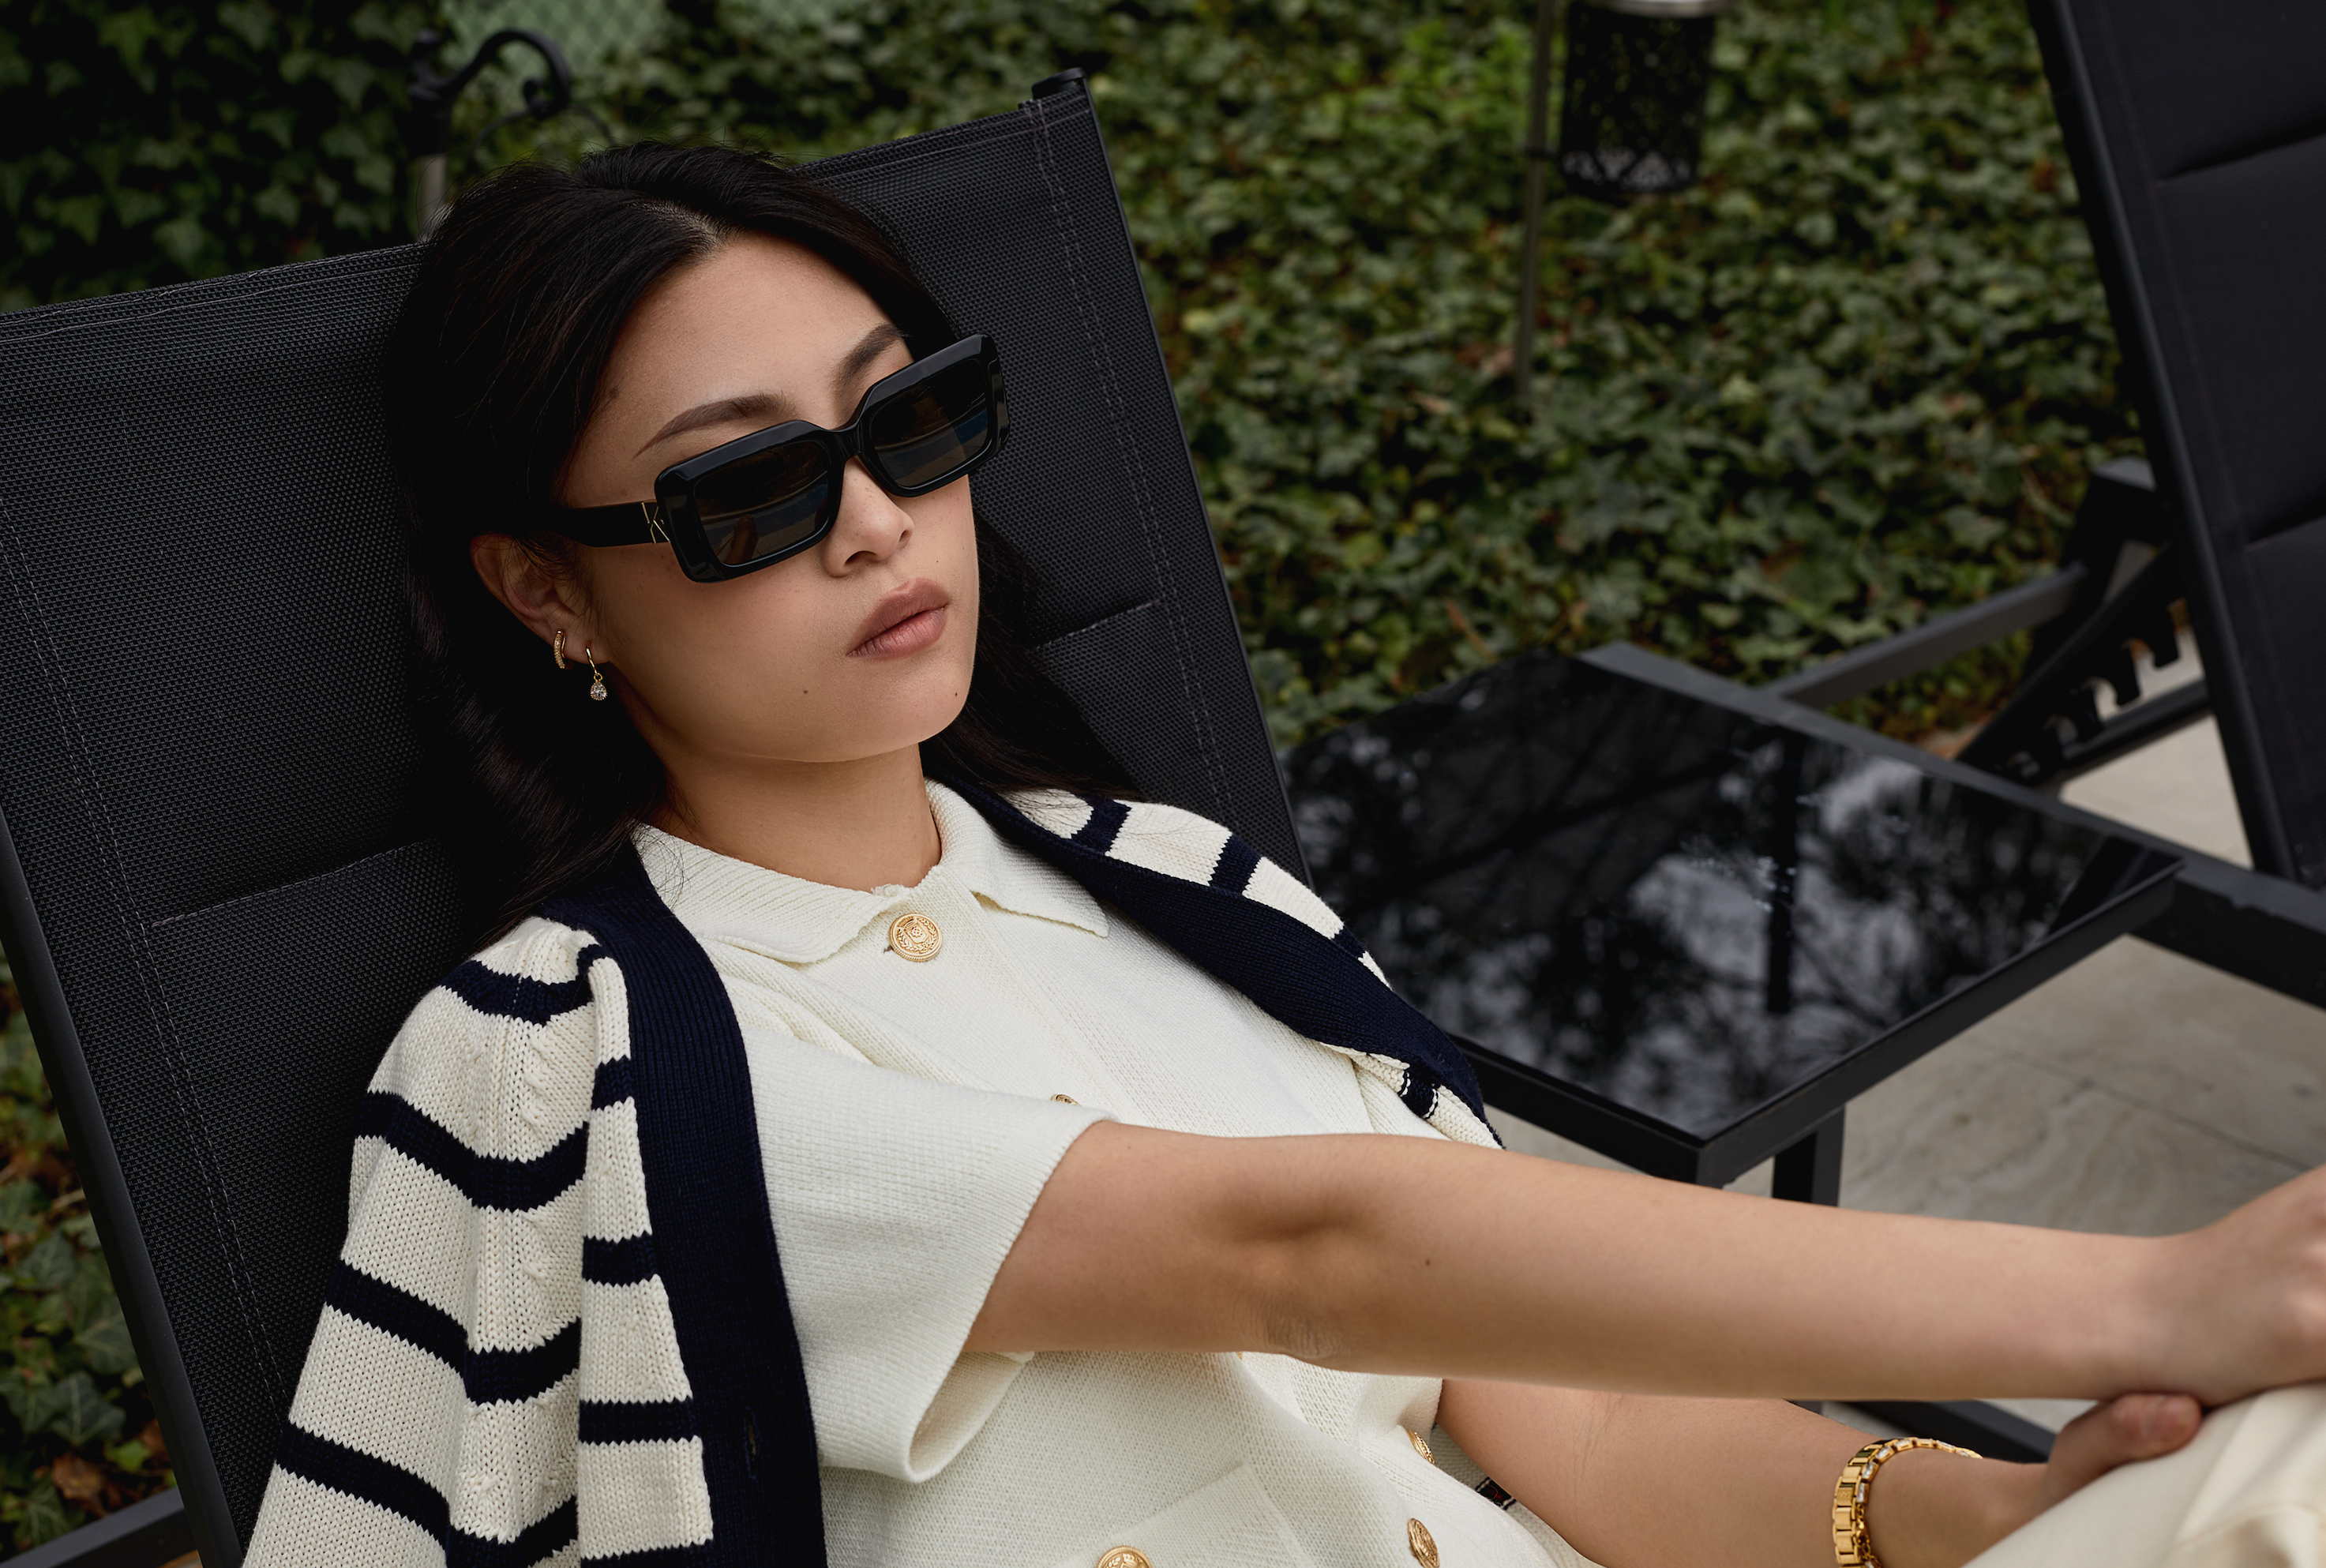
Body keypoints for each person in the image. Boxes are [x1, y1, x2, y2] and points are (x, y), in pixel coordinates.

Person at [246, 141, 2326, 1568]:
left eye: (908, 424)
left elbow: (1579, 1426)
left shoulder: (1170, 884)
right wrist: (2153, 1296)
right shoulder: (598, 1060)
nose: (875, 521)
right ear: (548, 591)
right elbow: (1314, 1251)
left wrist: (1975, 1514)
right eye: (747, 497)